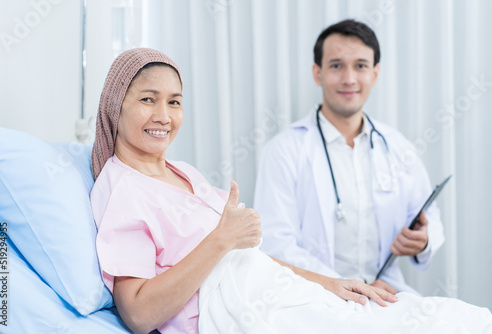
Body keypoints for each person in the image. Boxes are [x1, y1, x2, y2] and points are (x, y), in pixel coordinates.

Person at [90, 48, 491, 334]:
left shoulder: (185, 173)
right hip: (240, 310)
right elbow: (139, 315)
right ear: (115, 105)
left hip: (285, 288)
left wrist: (326, 282)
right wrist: (222, 239)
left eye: (175, 102)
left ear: (375, 73)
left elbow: (252, 257)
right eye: (147, 99)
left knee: (442, 317)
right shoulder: (123, 190)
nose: (164, 116)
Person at [253, 19, 444, 294]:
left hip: (385, 293)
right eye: (336, 65)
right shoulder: (284, 150)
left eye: (361, 66)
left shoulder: (398, 148)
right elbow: (275, 244)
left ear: (375, 74)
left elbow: (430, 216)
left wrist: (423, 241)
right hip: (312, 295)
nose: (349, 79)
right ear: (317, 73)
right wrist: (337, 285)